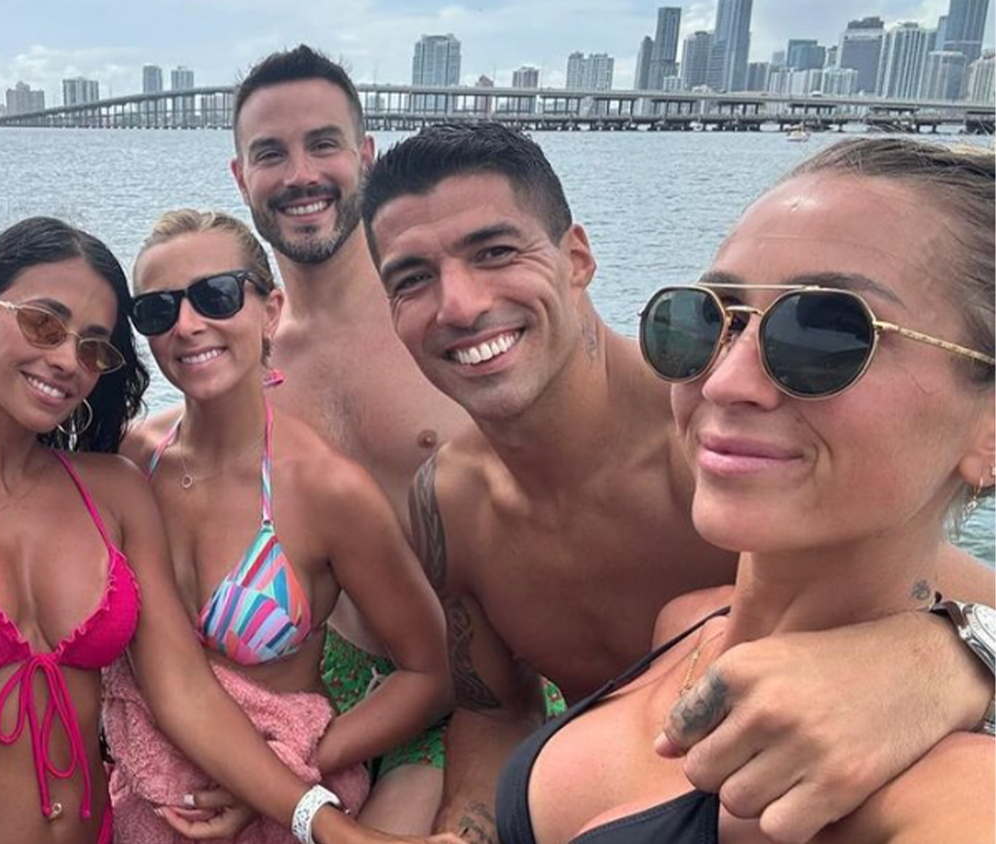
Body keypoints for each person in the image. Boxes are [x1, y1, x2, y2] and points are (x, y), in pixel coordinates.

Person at [359, 121, 996, 844]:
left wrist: (946, 660)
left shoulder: (732, 468)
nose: (726, 380)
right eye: (707, 318)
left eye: (827, 334)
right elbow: (495, 707)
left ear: (576, 257)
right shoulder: (452, 502)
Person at [0, 216, 462, 844]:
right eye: (42, 323)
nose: (65, 359)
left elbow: (181, 689)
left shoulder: (111, 489)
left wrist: (322, 821)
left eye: (92, 346)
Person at [107, 208, 450, 842]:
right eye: (157, 310)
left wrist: (280, 775)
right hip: (141, 794)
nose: (187, 325)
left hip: (285, 801)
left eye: (215, 296)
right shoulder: (131, 463)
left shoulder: (324, 489)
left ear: (270, 311)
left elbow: (430, 673)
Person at [229, 46, 472, 834]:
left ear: (365, 157)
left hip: (481, 675)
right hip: (330, 679)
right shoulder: (242, 360)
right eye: (272, 153)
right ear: (241, 179)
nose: (301, 173)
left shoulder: (446, 312)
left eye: (323, 144)